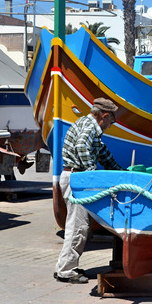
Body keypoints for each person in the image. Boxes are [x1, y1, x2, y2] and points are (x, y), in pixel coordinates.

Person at [55, 97, 123, 284]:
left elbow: (103, 153)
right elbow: (82, 146)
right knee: (79, 226)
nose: (111, 125)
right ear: (105, 116)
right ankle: (66, 271)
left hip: (74, 177)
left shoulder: (87, 126)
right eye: (111, 121)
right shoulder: (90, 127)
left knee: (76, 225)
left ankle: (65, 266)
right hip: (77, 179)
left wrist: (121, 171)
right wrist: (91, 174)